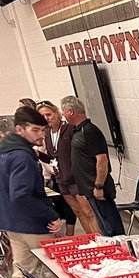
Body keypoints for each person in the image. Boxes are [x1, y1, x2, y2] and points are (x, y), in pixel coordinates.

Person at [0, 106, 64, 278]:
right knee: (62, 270)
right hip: (34, 225)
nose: (41, 135)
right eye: (36, 130)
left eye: (43, 130)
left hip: (12, 224)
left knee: (21, 274)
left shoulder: (4, 152)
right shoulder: (22, 156)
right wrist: (52, 214)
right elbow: (21, 195)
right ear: (20, 129)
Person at [61, 95, 125, 236]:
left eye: (63, 111)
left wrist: (99, 186)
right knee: (103, 224)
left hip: (97, 188)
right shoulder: (77, 131)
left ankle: (122, 251)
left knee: (110, 225)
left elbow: (102, 160)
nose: (62, 114)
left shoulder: (90, 131)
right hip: (88, 188)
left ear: (71, 112)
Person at [38, 100, 98, 235]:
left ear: (57, 113)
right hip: (61, 178)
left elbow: (75, 153)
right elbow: (54, 158)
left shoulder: (69, 129)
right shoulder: (47, 133)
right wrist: (39, 155)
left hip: (75, 178)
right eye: (43, 116)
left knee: (87, 211)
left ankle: (100, 239)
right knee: (77, 211)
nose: (47, 118)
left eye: (49, 114)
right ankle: (92, 238)